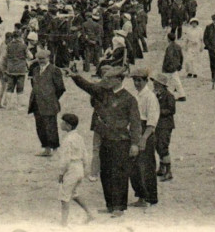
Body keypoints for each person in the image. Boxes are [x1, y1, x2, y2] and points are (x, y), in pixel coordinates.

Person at [69, 65, 141, 217]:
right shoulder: (103, 93)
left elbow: (135, 123)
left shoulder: (129, 99)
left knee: (119, 174)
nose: (105, 80)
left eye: (109, 78)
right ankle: (110, 204)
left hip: (121, 141)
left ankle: (119, 207)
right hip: (106, 139)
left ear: (119, 80)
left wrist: (135, 143)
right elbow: (88, 87)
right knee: (106, 173)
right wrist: (75, 76)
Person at [128, 68, 159, 208]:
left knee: (146, 167)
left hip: (145, 132)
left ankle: (150, 198)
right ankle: (140, 196)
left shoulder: (150, 97)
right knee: (134, 167)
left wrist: (143, 139)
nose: (136, 83)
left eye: (139, 80)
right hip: (135, 131)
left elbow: (152, 123)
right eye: (135, 80)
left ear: (146, 81)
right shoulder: (137, 95)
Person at [57, 113, 94, 226]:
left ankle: (63, 223)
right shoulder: (79, 137)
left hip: (71, 169)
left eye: (63, 122)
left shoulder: (67, 140)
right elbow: (85, 154)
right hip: (79, 169)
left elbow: (65, 159)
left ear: (68, 126)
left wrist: (61, 173)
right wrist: (85, 169)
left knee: (64, 196)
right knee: (74, 194)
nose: (61, 124)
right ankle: (90, 214)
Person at [27, 49, 65, 157]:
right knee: (40, 127)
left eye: (43, 59)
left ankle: (55, 149)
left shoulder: (55, 70)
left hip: (49, 103)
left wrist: (51, 97)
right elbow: (34, 85)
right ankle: (46, 148)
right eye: (39, 59)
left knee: (51, 127)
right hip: (37, 103)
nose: (41, 61)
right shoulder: (35, 70)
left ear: (48, 58)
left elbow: (60, 88)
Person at [151, 73, 176, 182]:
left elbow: (171, 110)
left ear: (161, 85)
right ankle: (162, 168)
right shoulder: (155, 94)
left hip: (165, 124)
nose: (154, 85)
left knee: (163, 147)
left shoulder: (169, 96)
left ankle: (168, 171)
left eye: (156, 83)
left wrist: (158, 111)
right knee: (157, 145)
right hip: (158, 124)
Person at [3, 31, 30, 109]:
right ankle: (19, 106)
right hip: (21, 69)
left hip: (10, 69)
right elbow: (30, 56)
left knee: (10, 87)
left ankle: (8, 105)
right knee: (20, 88)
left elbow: (4, 56)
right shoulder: (24, 46)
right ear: (20, 36)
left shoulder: (8, 45)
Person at [161, 32, 186, 101]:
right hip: (175, 66)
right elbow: (181, 57)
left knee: (167, 82)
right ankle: (181, 95)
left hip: (169, 67)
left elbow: (169, 58)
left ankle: (169, 97)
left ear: (168, 39)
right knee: (176, 81)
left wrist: (165, 67)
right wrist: (180, 64)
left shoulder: (169, 47)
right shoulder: (178, 46)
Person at [203, 15, 215, 86]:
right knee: (213, 63)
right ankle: (214, 76)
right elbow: (205, 38)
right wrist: (209, 47)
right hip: (211, 48)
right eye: (214, 20)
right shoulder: (208, 27)